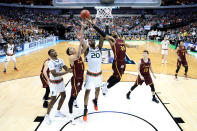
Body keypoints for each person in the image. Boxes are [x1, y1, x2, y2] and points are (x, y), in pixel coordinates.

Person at [66, 22, 88, 124]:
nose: (72, 48)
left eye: (72, 47)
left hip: (80, 78)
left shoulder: (78, 55)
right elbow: (80, 49)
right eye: (70, 49)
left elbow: (86, 47)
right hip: (75, 79)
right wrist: (80, 37)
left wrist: (81, 36)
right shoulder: (71, 57)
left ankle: (75, 101)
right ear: (70, 53)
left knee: (77, 93)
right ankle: (70, 116)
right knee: (72, 97)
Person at [44, 49, 71, 125]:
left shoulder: (60, 60)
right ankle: (47, 116)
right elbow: (54, 74)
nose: (55, 52)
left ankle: (58, 111)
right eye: (53, 51)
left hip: (60, 81)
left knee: (63, 96)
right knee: (53, 99)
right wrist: (66, 72)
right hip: (54, 83)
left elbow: (66, 68)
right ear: (50, 55)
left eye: (55, 51)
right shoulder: (50, 63)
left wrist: (73, 69)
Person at [83, 35, 104, 121]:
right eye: (90, 41)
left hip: (98, 74)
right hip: (90, 75)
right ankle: (85, 109)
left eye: (92, 40)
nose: (91, 41)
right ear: (88, 43)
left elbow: (102, 38)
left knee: (97, 89)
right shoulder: (87, 50)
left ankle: (95, 100)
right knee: (87, 91)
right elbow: (83, 43)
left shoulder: (99, 48)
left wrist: (102, 29)